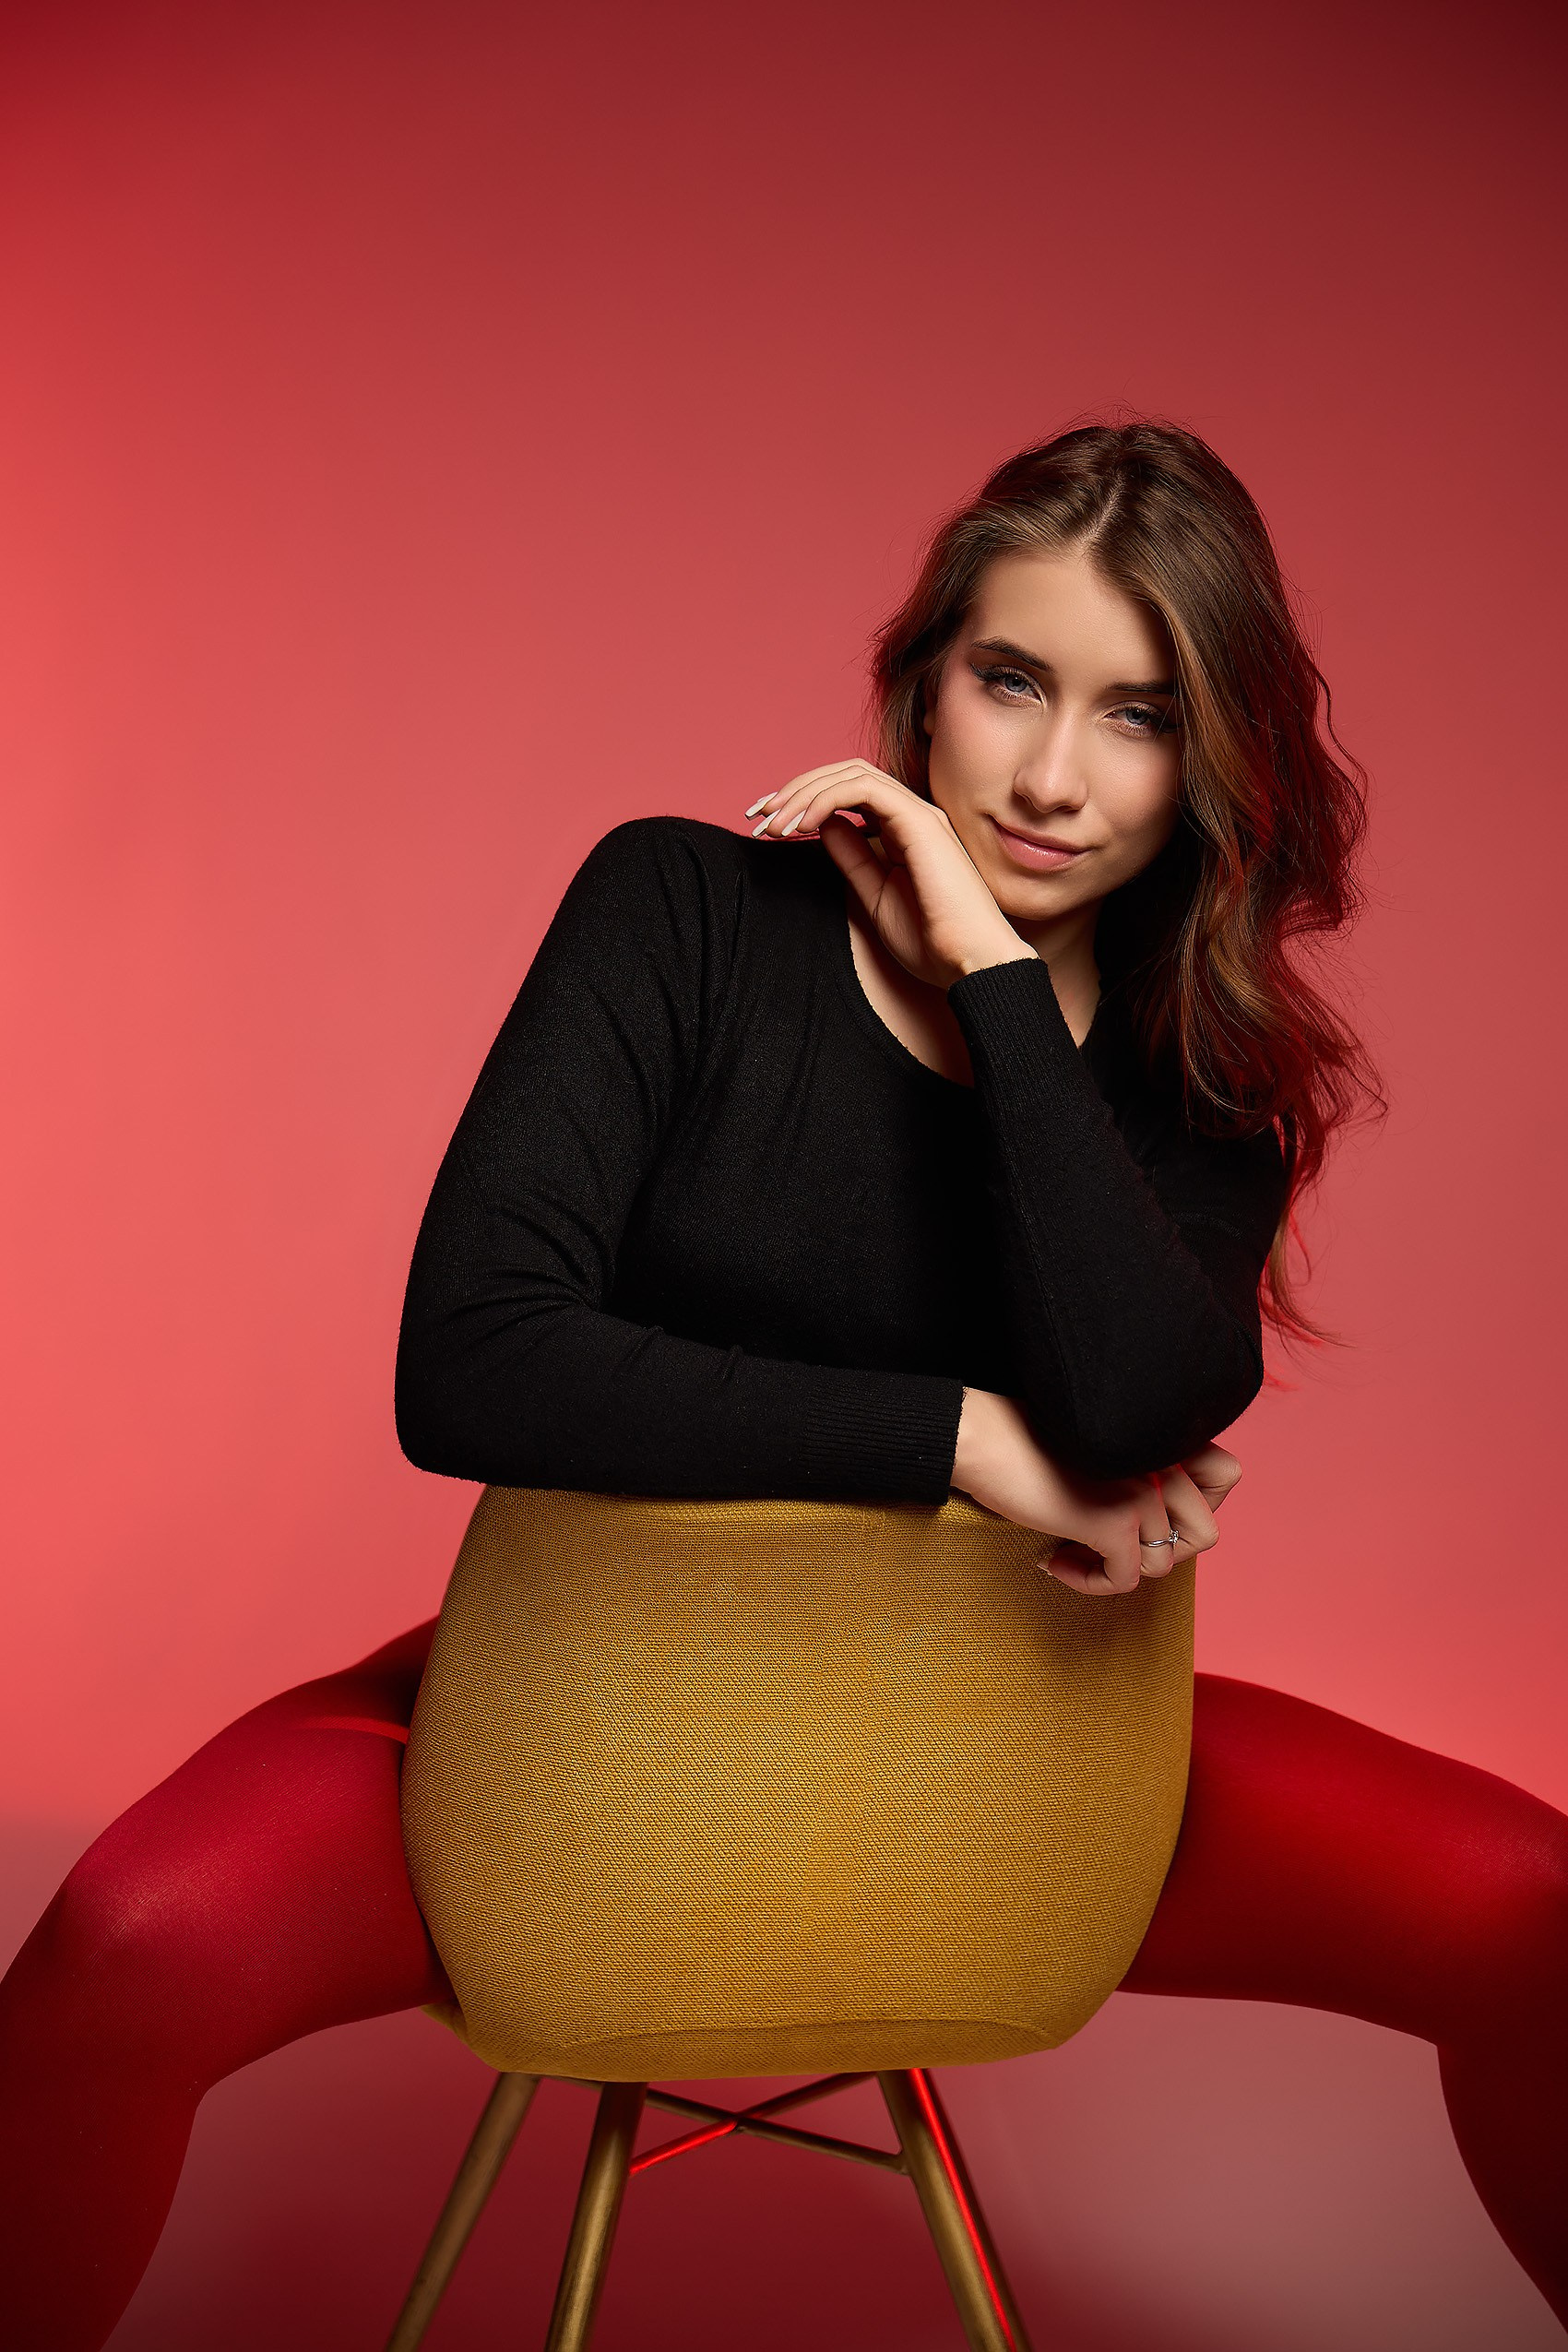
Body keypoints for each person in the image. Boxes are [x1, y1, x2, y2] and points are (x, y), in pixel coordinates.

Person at [1, 422, 1563, 2347]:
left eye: (1140, 716)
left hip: (1019, 1783)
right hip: (578, 1769)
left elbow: (1131, 1412)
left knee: (1535, 1907)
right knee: (128, 1944)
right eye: (1012, 682)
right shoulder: (683, 913)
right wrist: (962, 1441)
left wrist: (993, 982)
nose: (1053, 779)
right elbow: (471, 1358)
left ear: (1215, 759)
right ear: (924, 682)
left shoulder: (1204, 1074)